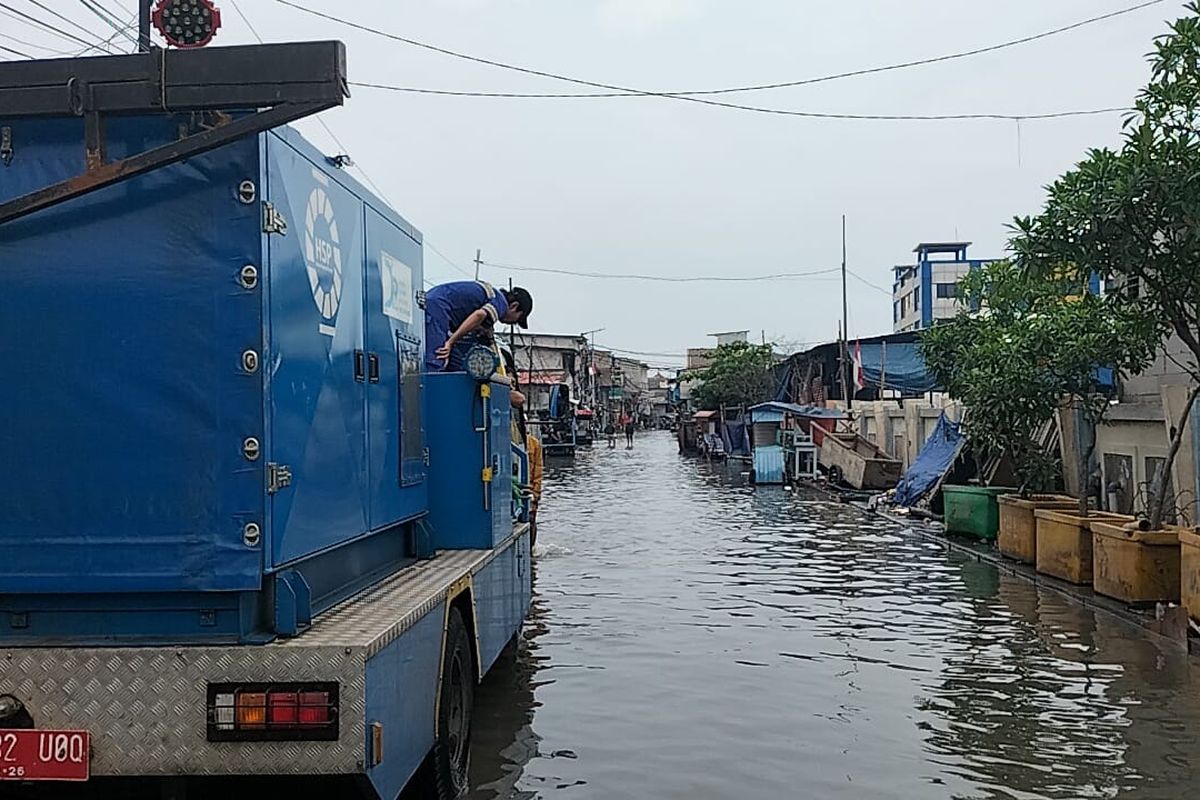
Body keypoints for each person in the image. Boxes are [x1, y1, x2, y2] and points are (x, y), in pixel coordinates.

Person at [423, 280, 533, 372]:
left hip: (439, 304)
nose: (513, 323)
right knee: (438, 358)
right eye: (517, 319)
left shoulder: (493, 296)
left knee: (459, 368)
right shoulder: (501, 303)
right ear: (514, 306)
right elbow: (479, 315)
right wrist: (450, 342)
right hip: (439, 307)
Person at [526, 432, 543, 550]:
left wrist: (535, 493)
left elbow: (538, 471)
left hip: (529, 490)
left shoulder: (534, 444)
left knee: (531, 520)